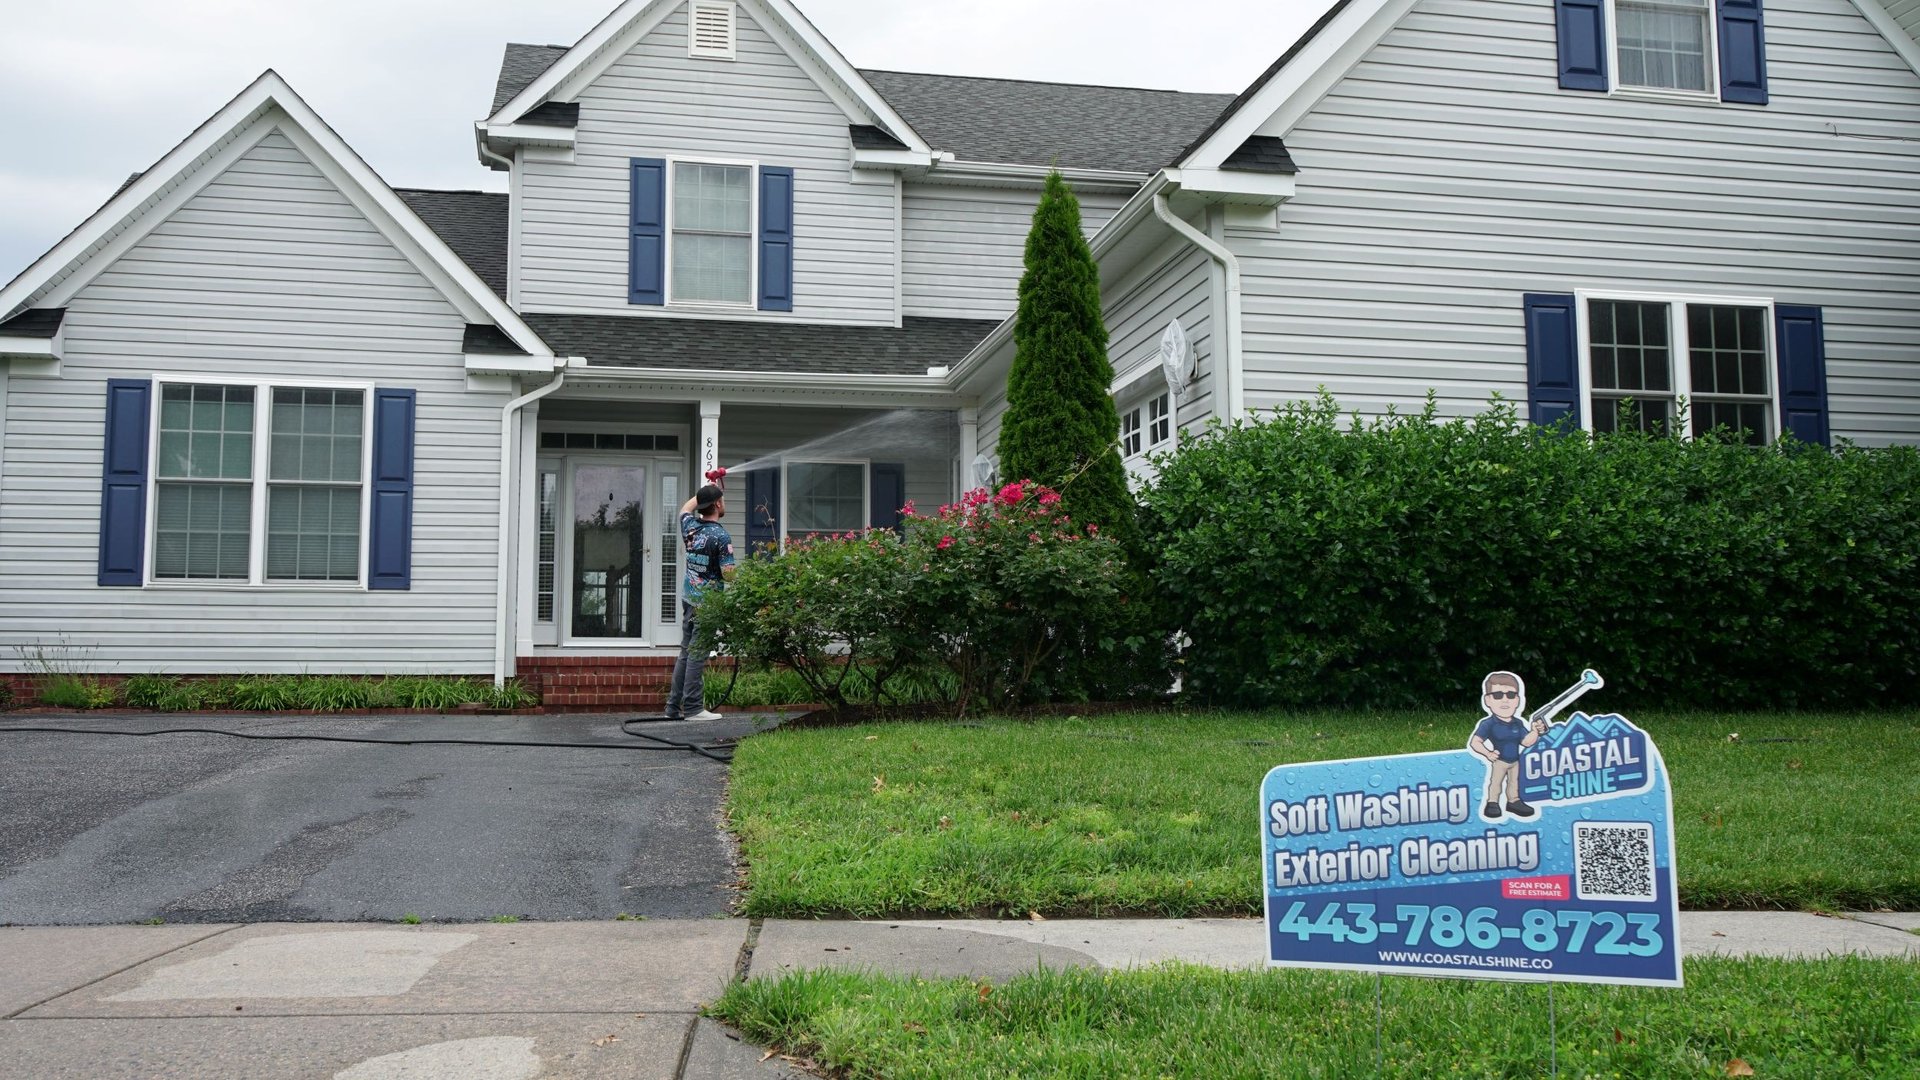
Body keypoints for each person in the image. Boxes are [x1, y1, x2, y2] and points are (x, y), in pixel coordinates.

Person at [666, 480, 734, 721]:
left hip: (689, 599)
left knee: (685, 652)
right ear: (717, 504)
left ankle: (673, 708)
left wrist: (706, 489)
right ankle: (694, 708)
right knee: (696, 654)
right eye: (721, 499)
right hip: (708, 605)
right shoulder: (721, 536)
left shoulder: (690, 527)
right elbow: (729, 575)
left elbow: (685, 508)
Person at [1469, 671, 1545, 821]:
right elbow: (1475, 742)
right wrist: (1488, 753)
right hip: (1500, 761)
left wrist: (1535, 731)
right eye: (1498, 695)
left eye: (1510, 695)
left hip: (1515, 761)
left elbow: (1526, 741)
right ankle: (1492, 803)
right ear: (1488, 700)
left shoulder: (1518, 723)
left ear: (1517, 700)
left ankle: (1513, 802)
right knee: (1496, 783)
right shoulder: (1488, 724)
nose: (1505, 700)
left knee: (1513, 783)